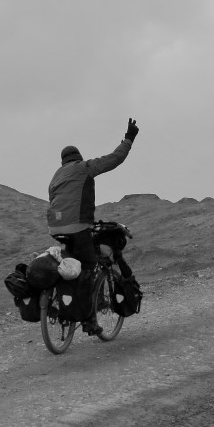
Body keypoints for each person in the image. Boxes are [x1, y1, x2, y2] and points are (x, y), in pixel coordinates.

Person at [47, 118, 139, 334]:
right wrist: (129, 138)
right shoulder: (84, 168)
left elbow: (55, 201)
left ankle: (64, 305)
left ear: (63, 161)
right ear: (78, 158)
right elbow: (114, 159)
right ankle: (89, 320)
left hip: (55, 229)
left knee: (71, 265)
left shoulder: (55, 177)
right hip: (77, 226)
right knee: (88, 266)